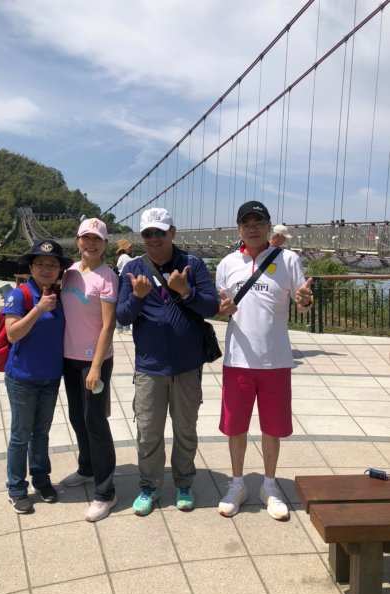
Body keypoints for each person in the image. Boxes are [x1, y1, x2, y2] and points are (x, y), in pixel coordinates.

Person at [116, 207, 219, 516]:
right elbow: (122, 316)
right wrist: (136, 297)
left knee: (186, 428)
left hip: (187, 366)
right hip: (149, 367)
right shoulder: (133, 268)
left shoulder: (193, 264)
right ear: (142, 237)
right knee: (148, 431)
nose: (154, 239)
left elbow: (211, 306)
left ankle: (184, 483)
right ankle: (149, 487)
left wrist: (185, 291)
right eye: (148, 233)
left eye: (160, 232)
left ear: (172, 233)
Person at [216, 201, 313, 520]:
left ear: (269, 226)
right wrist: (222, 310)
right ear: (239, 228)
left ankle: (269, 485)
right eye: (247, 222)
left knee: (272, 428)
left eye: (259, 221)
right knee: (236, 428)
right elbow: (221, 306)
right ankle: (238, 483)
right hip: (237, 361)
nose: (253, 227)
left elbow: (303, 302)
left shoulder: (288, 260)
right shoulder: (228, 263)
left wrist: (304, 300)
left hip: (276, 361)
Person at [3, 239, 72, 514]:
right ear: (31, 266)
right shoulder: (20, 295)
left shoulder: (61, 296)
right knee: (21, 434)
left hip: (50, 376)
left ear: (59, 270)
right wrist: (39, 308)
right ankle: (16, 487)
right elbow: (12, 333)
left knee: (41, 433)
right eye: (40, 264)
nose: (46, 269)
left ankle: (41, 479)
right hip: (22, 377)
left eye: (52, 264)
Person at [60, 218, 119, 522]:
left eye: (97, 239)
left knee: (94, 420)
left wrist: (96, 366)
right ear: (78, 240)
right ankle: (87, 467)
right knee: (76, 416)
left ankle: (106, 491)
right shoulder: (68, 273)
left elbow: (108, 325)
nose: (91, 243)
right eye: (86, 238)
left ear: (105, 244)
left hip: (94, 361)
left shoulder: (107, 277)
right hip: (68, 358)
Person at [115, 239, 134, 333]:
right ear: (124, 248)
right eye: (129, 247)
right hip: (125, 281)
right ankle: (123, 327)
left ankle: (120, 327)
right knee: (125, 303)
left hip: (122, 280)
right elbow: (132, 262)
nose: (131, 249)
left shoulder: (121, 257)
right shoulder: (125, 257)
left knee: (122, 302)